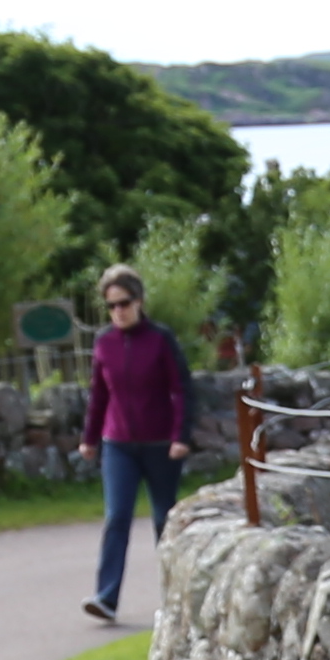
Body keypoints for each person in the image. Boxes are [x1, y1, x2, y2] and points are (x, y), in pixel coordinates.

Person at [81, 264, 190, 626]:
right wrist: (89, 438)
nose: (118, 312)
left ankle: (175, 600)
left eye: (124, 303)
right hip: (119, 445)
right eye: (111, 306)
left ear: (139, 301)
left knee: (164, 520)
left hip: (161, 445)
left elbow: (181, 389)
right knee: (117, 518)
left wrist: (181, 436)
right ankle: (106, 598)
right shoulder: (104, 343)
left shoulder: (160, 339)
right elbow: (99, 394)